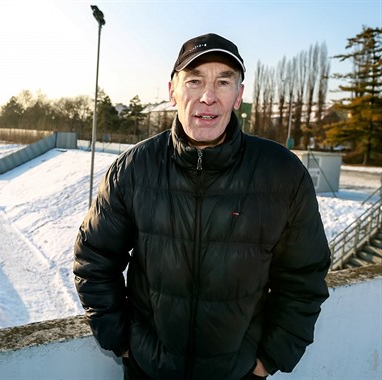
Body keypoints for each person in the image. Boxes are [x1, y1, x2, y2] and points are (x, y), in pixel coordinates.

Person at [73, 33, 331, 380]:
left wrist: (269, 359)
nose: (208, 97)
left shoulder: (282, 174)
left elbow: (304, 277)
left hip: (239, 374)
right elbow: (94, 259)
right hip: (149, 370)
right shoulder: (134, 168)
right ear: (172, 91)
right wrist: (122, 341)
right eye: (194, 81)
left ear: (238, 95)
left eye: (223, 82)